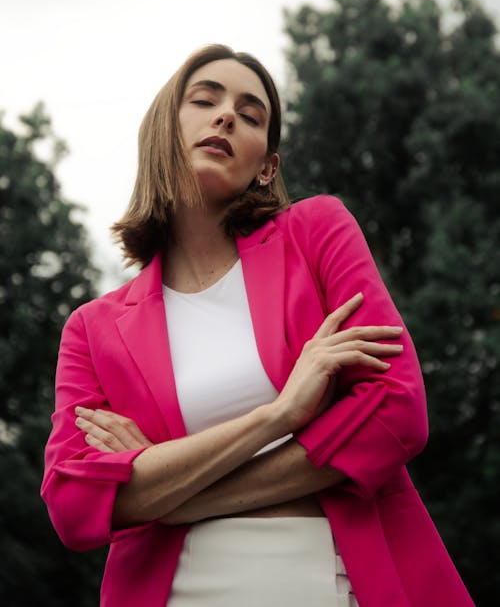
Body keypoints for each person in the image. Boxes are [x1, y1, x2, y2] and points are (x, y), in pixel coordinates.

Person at [41, 44, 474, 607]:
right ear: (163, 133)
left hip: (327, 576)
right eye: (205, 100)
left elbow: (396, 412)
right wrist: (280, 416)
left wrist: (164, 486)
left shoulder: (315, 231)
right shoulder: (92, 329)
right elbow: (74, 507)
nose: (226, 115)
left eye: (251, 115)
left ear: (265, 166)